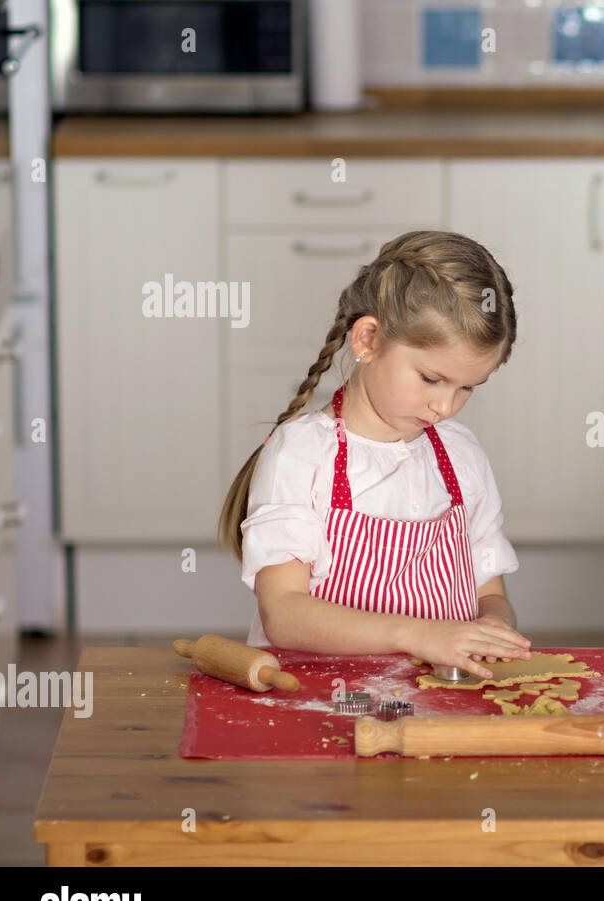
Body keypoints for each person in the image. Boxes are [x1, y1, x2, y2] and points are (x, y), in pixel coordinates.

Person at [218, 230, 531, 679]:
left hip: (434, 704)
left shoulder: (461, 455)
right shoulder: (303, 453)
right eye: (430, 378)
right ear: (367, 340)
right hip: (319, 706)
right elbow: (283, 613)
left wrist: (493, 627)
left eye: (467, 388)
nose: (445, 407)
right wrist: (418, 635)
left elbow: (489, 591)